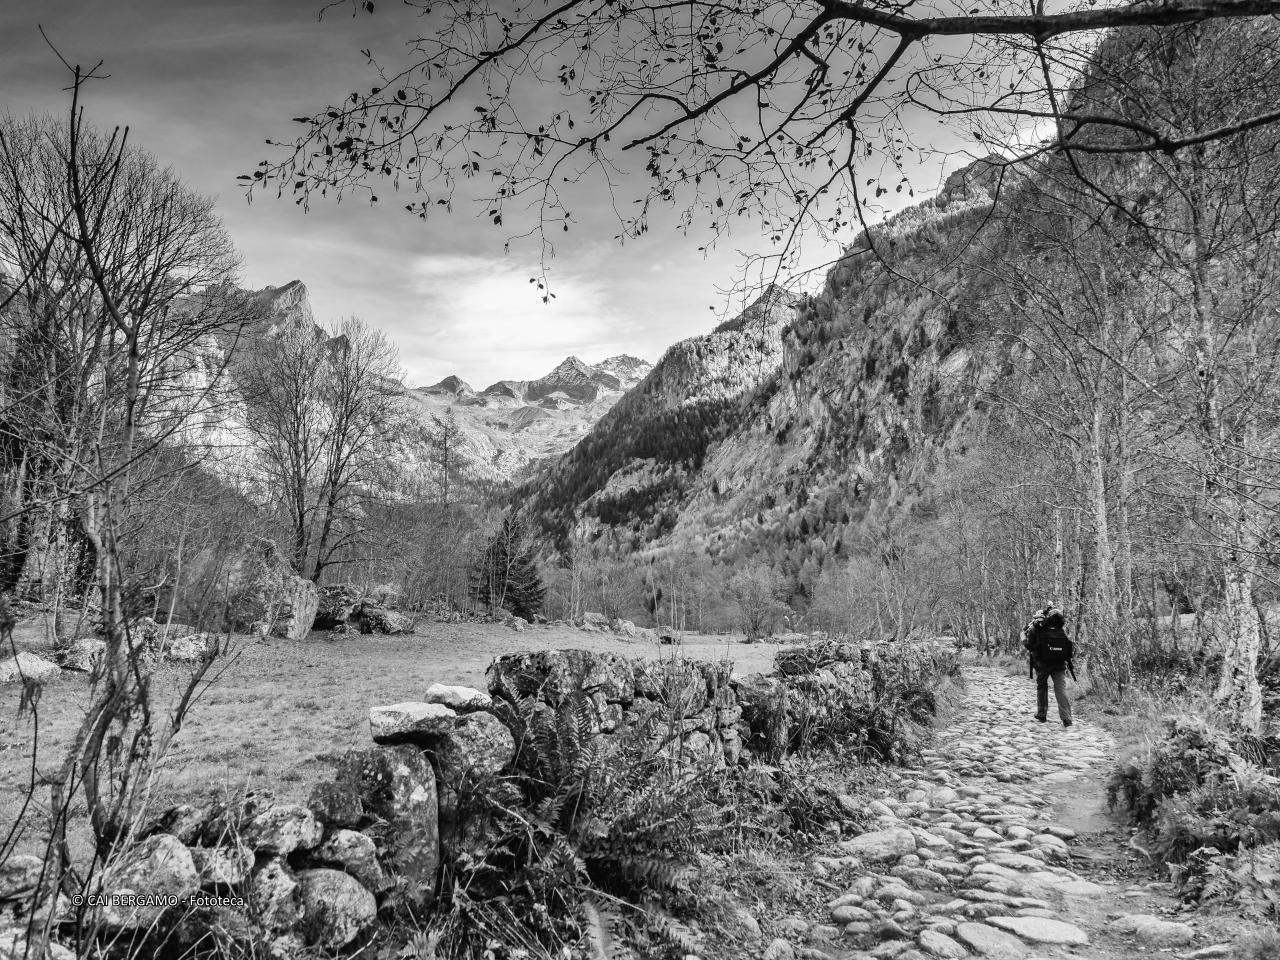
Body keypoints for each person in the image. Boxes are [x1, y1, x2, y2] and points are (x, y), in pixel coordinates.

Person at [1021, 603, 1075, 727]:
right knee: (1060, 689)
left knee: (1042, 687)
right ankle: (1067, 718)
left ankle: (1042, 714)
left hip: (1042, 664)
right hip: (1059, 664)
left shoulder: (1036, 628)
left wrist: (1023, 638)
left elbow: (1030, 646)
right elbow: (1068, 645)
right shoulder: (1060, 629)